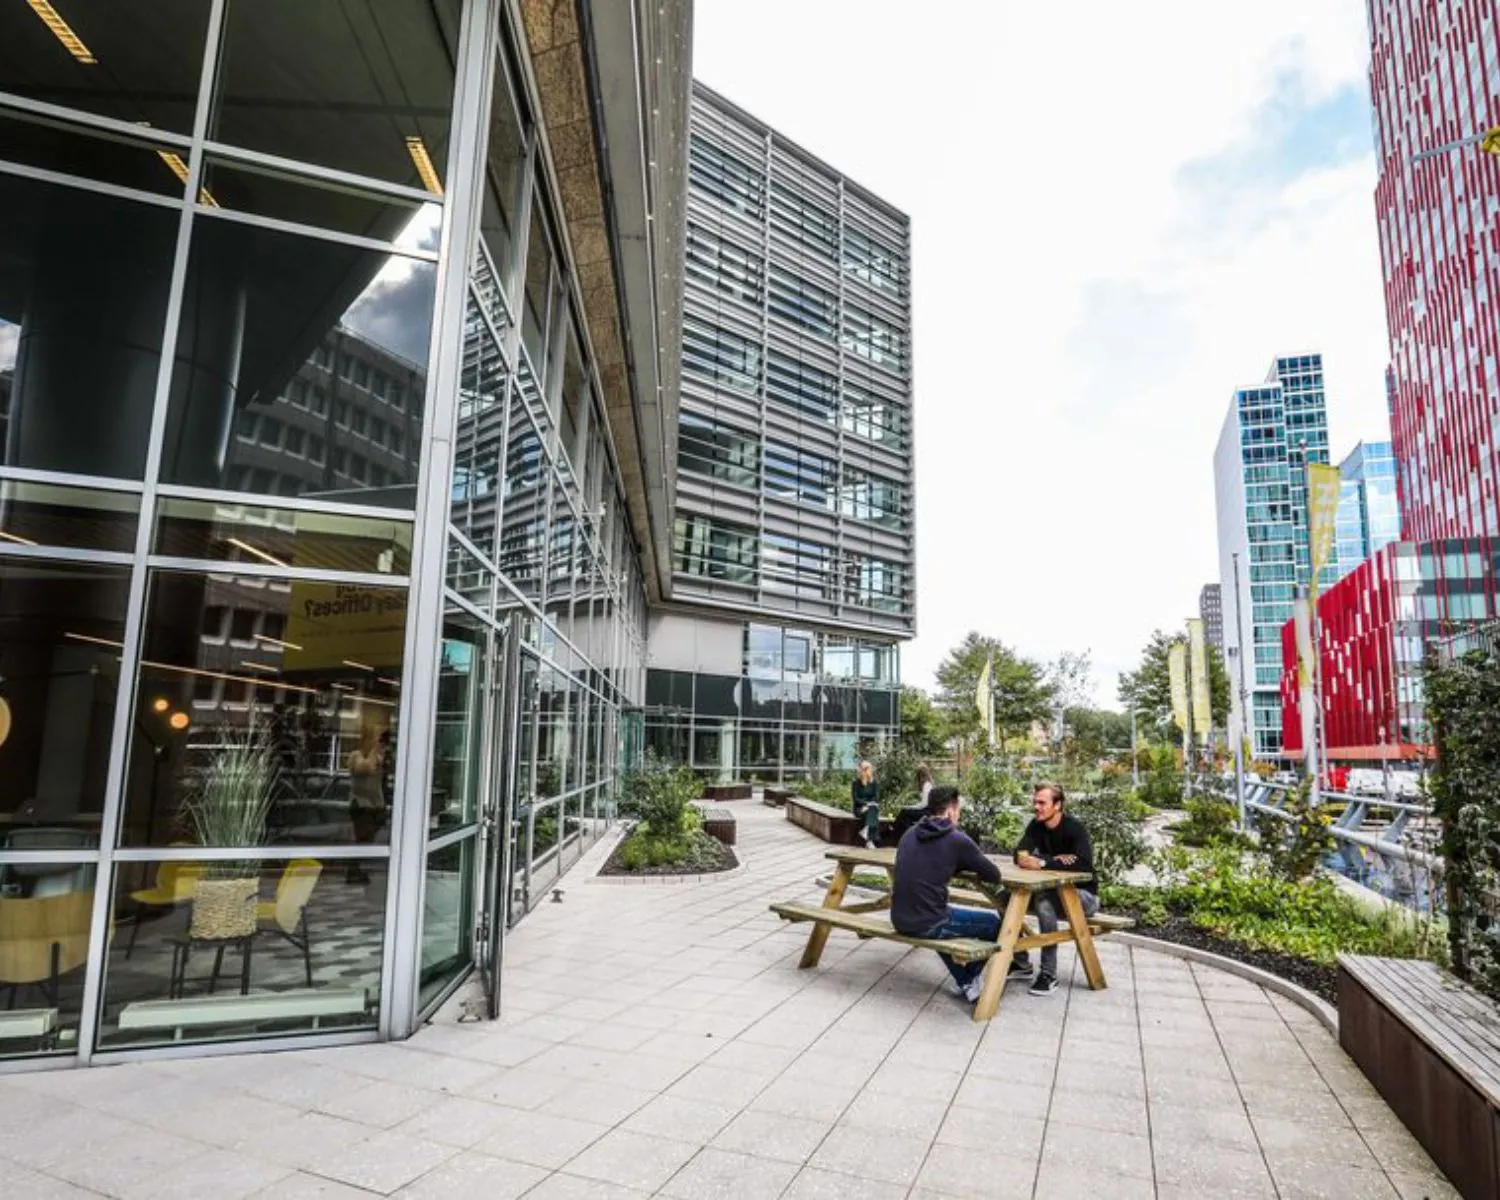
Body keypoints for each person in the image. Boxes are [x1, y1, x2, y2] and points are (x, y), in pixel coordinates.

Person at [891, 785, 1002, 1004]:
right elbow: (994, 875)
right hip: (928, 922)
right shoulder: (956, 839)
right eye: (958, 809)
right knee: (998, 924)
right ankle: (969, 977)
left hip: (899, 918)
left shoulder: (909, 833)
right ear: (951, 811)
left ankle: (966, 978)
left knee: (940, 916)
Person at [1010, 782, 1097, 996]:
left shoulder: (1073, 828)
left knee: (1044, 903)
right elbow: (1019, 854)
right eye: (1035, 802)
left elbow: (1084, 864)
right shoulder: (1035, 826)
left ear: (1057, 805)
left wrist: (1041, 862)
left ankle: (1048, 974)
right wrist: (1051, 860)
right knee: (1004, 899)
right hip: (1051, 891)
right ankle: (1021, 963)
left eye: (1042, 803)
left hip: (1084, 897)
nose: (1036, 807)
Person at [346, 728, 388, 883]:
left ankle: (356, 867)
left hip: (375, 804)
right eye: (375, 740)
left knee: (367, 838)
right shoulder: (356, 756)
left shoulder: (377, 756)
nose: (378, 743)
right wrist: (373, 752)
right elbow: (364, 769)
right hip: (361, 804)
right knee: (361, 837)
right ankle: (352, 869)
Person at [851, 759, 880, 849]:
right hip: (859, 808)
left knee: (872, 810)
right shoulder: (856, 783)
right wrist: (865, 804)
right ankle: (871, 840)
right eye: (866, 769)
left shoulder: (874, 783)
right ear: (862, 770)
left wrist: (868, 805)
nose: (869, 771)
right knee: (872, 812)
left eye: (869, 768)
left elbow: (876, 797)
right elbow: (856, 799)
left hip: (871, 807)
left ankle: (868, 837)